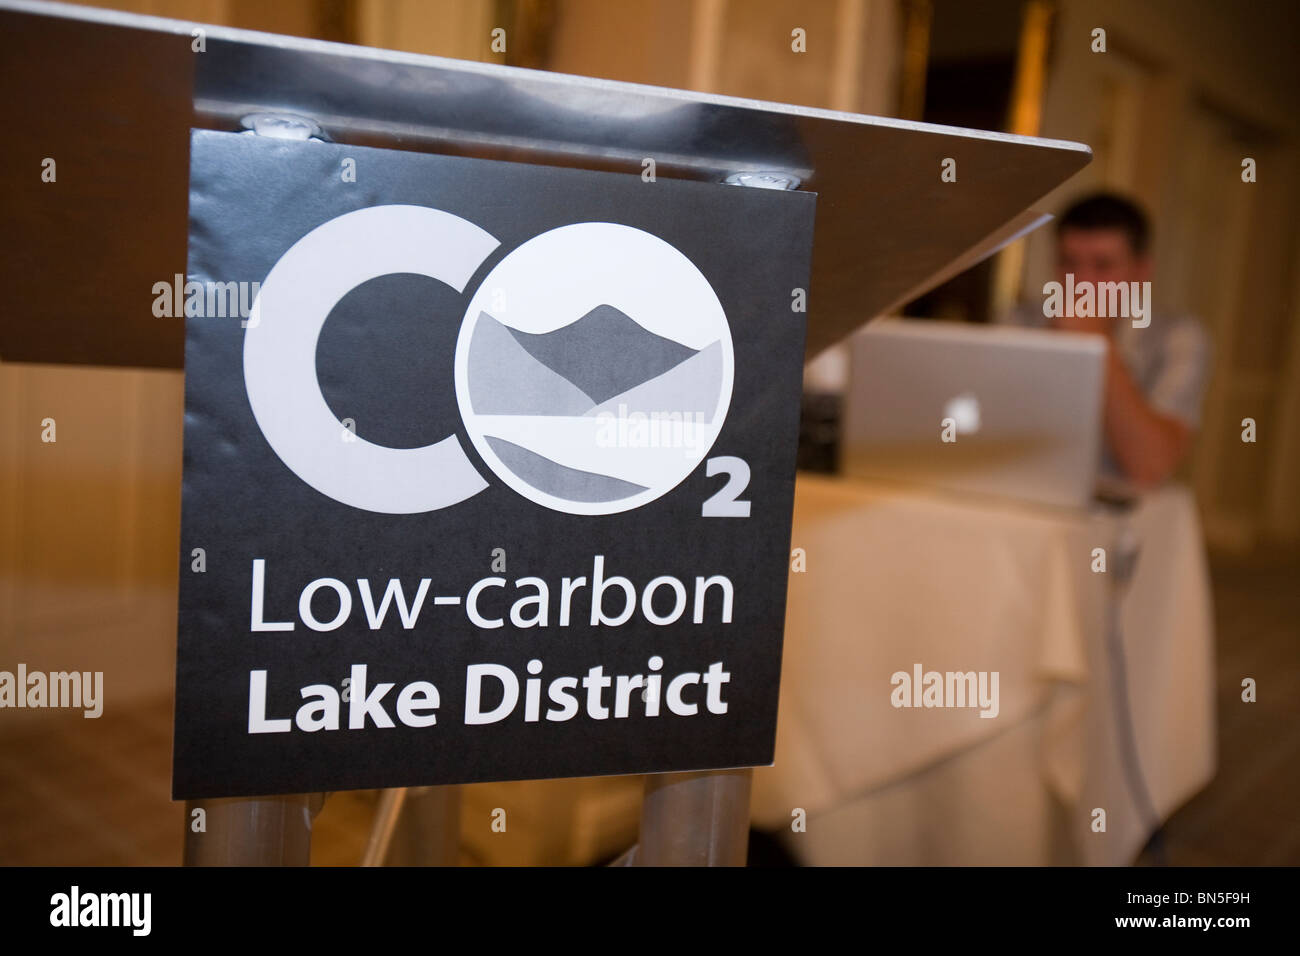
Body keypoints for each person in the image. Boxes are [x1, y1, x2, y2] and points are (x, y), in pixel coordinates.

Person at [1008, 193, 1212, 490]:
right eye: (1069, 263)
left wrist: (1097, 344)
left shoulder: (1179, 338)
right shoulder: (1021, 321)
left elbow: (1151, 466)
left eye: (1103, 266)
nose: (1082, 282)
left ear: (1141, 271)